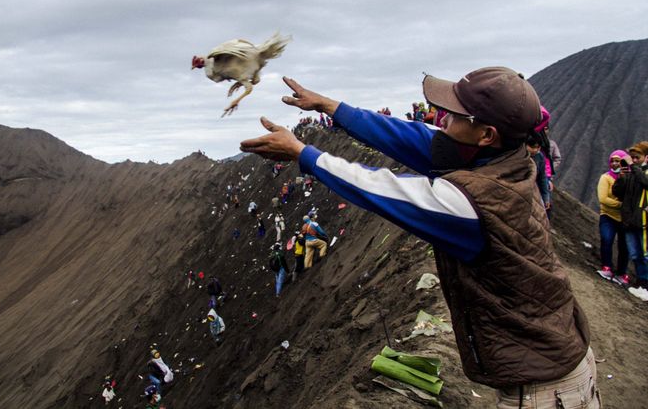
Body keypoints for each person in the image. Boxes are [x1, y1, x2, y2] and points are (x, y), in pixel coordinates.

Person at [240, 69, 597, 408]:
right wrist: (331, 107)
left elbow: (383, 190)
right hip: (553, 359)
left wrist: (304, 154)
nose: (441, 119)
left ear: (486, 135)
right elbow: (410, 137)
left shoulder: (473, 203)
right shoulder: (503, 158)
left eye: (455, 115)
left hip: (544, 389)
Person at [612, 142, 648, 298]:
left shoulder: (642, 173)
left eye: (637, 157)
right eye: (632, 157)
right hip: (628, 220)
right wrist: (621, 178)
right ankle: (642, 282)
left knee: (645, 254)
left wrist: (633, 168)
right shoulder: (631, 173)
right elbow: (617, 193)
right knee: (635, 254)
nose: (634, 160)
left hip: (644, 221)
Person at [596, 150, 629, 286]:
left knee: (624, 246)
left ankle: (622, 273)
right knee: (607, 239)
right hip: (608, 215)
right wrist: (622, 205)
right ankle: (606, 267)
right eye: (613, 161)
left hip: (624, 219)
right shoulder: (605, 178)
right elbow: (603, 199)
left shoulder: (629, 179)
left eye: (618, 161)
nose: (615, 163)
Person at [525, 135, 550, 212]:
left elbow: (542, 178)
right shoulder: (518, 156)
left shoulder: (539, 157)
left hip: (533, 190)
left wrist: (546, 198)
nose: (535, 150)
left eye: (538, 147)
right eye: (532, 147)